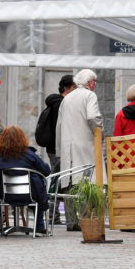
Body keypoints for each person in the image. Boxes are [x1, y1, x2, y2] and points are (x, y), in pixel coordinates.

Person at [55, 69, 102, 231]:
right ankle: (85, 219)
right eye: (95, 81)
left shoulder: (66, 99)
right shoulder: (90, 96)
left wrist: (59, 149)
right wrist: (99, 131)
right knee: (85, 181)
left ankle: (71, 221)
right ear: (90, 82)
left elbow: (59, 126)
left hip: (67, 146)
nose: (95, 84)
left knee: (68, 182)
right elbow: (93, 117)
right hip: (85, 145)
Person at [0, 125, 52, 235]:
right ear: (22, 138)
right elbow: (46, 171)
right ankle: (39, 226)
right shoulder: (30, 155)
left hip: (6, 195)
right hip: (30, 195)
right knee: (38, 188)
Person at [41, 74, 76, 172]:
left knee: (58, 174)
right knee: (59, 176)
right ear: (65, 88)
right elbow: (62, 128)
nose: (76, 91)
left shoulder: (55, 103)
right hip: (58, 149)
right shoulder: (60, 104)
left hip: (53, 148)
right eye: (74, 87)